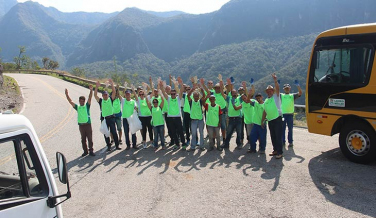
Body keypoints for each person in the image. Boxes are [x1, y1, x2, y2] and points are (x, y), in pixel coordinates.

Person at [65, 85, 95, 156]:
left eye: (83, 101)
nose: (81, 102)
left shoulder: (87, 106)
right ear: (79, 101)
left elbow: (90, 98)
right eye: (80, 101)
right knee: (83, 139)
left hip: (87, 125)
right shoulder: (77, 107)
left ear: (84, 101)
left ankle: (91, 150)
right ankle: (85, 151)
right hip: (81, 126)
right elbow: (70, 101)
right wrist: (67, 95)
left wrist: (91, 90)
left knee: (90, 139)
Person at [161, 77, 188, 150]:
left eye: (174, 93)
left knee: (180, 131)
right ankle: (177, 144)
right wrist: (161, 85)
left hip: (178, 117)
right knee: (173, 132)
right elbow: (163, 92)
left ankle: (183, 143)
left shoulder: (178, 98)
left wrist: (179, 83)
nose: (173, 95)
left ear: (175, 94)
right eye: (172, 93)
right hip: (170, 118)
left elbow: (182, 90)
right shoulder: (168, 98)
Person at [94, 79, 121, 151]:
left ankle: (117, 145)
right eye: (104, 95)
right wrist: (96, 87)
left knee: (114, 132)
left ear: (107, 95)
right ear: (102, 96)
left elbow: (114, 92)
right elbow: (95, 95)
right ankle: (108, 145)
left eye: (106, 95)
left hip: (111, 118)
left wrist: (112, 84)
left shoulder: (110, 99)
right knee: (106, 133)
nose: (105, 96)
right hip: (104, 119)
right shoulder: (101, 101)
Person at [262, 73, 283, 159]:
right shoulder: (266, 100)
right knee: (273, 136)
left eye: (270, 90)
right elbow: (265, 111)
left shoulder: (276, 96)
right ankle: (275, 150)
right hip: (270, 120)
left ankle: (280, 152)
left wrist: (275, 80)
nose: (269, 91)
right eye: (268, 91)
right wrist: (262, 120)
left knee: (278, 136)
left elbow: (277, 88)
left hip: (277, 119)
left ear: (272, 91)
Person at [223, 78, 243, 150]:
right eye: (233, 93)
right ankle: (226, 144)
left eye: (235, 93)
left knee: (239, 133)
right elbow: (223, 94)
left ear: (237, 93)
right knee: (229, 132)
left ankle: (239, 144)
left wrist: (232, 84)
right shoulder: (229, 98)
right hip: (231, 119)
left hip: (238, 118)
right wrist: (226, 83)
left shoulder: (239, 99)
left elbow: (237, 108)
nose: (234, 94)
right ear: (231, 94)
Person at [281, 83, 302, 147]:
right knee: (282, 129)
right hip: (283, 115)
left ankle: (290, 142)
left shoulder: (292, 95)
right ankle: (282, 141)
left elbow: (300, 93)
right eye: (286, 88)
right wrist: (276, 83)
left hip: (290, 115)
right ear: (284, 89)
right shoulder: (281, 95)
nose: (287, 89)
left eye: (288, 88)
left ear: (290, 88)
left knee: (290, 129)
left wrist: (298, 86)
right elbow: (275, 92)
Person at [187, 81, 206, 151]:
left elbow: (204, 96)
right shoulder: (191, 101)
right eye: (195, 96)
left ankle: (201, 146)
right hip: (193, 121)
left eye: (197, 96)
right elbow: (188, 96)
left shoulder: (200, 101)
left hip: (200, 120)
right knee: (194, 134)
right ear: (193, 96)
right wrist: (192, 89)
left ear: (198, 97)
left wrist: (202, 90)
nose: (196, 97)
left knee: (201, 133)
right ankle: (193, 147)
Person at [146, 86, 165, 150]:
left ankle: (163, 145)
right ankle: (156, 146)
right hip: (155, 124)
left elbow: (163, 100)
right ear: (153, 103)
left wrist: (160, 93)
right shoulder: (151, 108)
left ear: (157, 102)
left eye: (156, 102)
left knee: (162, 136)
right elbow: (147, 102)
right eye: (154, 102)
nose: (155, 103)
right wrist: (146, 95)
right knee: (156, 136)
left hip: (161, 124)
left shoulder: (160, 107)